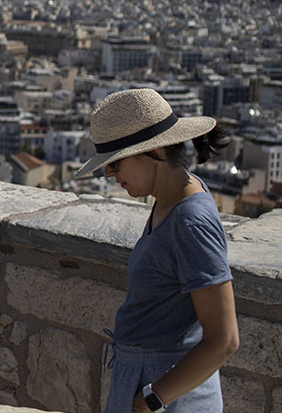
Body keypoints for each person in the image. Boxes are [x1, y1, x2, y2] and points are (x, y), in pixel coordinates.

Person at [75, 88, 239, 413]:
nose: (109, 174)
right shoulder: (170, 197)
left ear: (156, 152)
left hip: (168, 392)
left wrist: (151, 399)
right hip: (149, 381)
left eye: (115, 162)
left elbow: (224, 340)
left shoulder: (190, 221)